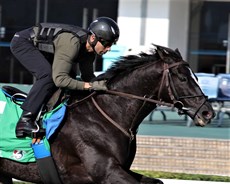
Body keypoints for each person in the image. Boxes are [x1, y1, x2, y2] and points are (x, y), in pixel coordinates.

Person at [10, 17, 120, 138]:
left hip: (44, 50)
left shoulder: (89, 52)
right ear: (93, 38)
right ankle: (25, 120)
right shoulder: (72, 43)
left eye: (111, 44)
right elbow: (60, 79)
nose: (109, 49)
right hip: (23, 42)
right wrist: (89, 86)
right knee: (48, 76)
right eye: (107, 44)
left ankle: (47, 113)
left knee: (71, 76)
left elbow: (88, 77)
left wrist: (106, 87)